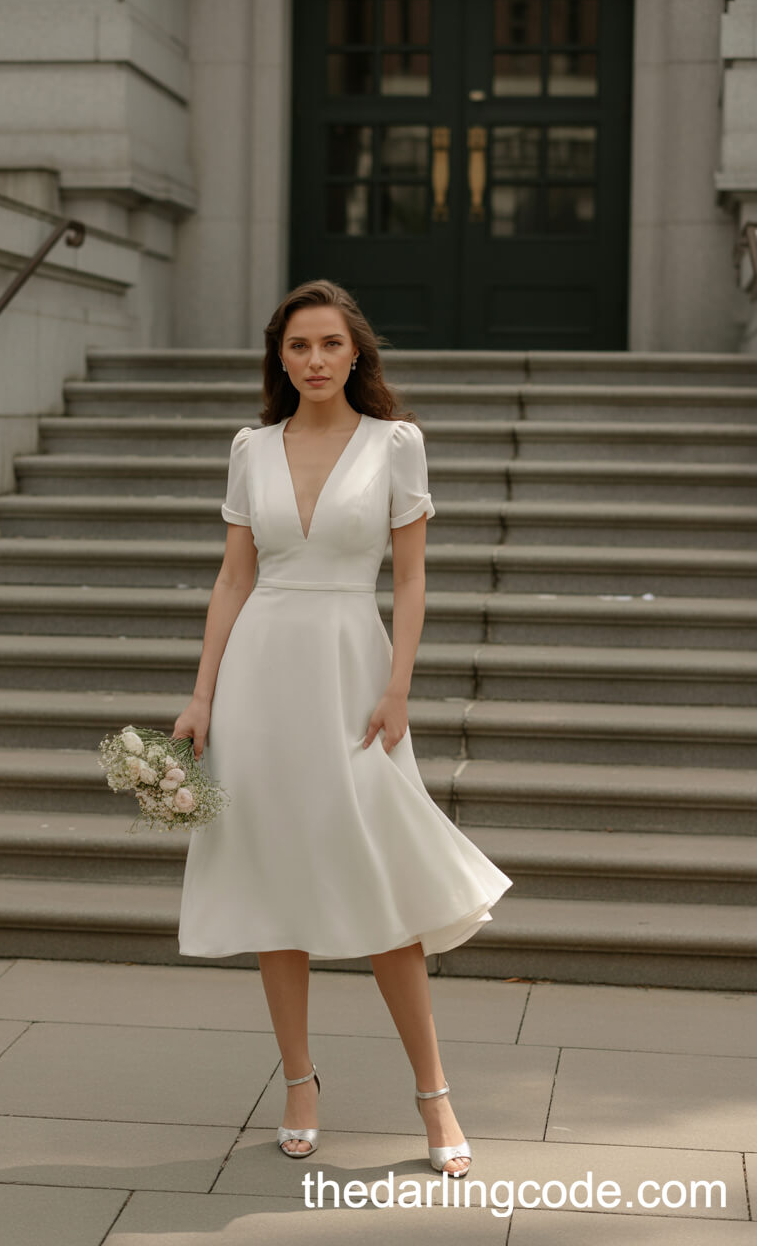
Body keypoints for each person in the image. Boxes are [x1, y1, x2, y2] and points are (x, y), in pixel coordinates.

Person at [172, 278, 513, 1178]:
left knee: (380, 879)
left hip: (353, 674)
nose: (315, 361)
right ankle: (298, 1080)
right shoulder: (251, 447)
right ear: (279, 359)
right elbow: (233, 580)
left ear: (355, 351)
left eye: (328, 344)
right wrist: (203, 695)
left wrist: (398, 687)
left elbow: (408, 581)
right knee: (273, 875)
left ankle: (433, 1092)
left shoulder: (396, 444)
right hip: (260, 676)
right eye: (298, 347)